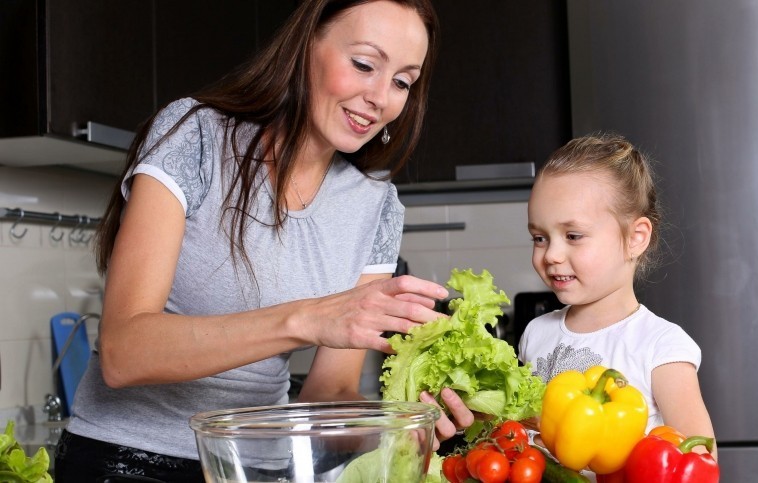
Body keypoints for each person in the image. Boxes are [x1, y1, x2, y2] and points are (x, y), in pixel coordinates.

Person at [53, 0, 474, 480]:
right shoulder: (197, 135)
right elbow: (123, 352)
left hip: (252, 470)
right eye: (363, 64)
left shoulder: (375, 206)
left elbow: (328, 395)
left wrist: (407, 421)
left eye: (402, 81)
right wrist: (306, 318)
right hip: (122, 462)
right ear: (305, 45)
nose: (381, 96)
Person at [519, 134, 716, 469]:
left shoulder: (661, 346)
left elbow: (699, 458)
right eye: (540, 238)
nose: (551, 254)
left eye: (573, 236)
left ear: (635, 238)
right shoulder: (536, 333)